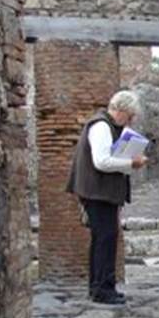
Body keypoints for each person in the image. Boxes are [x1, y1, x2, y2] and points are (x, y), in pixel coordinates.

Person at [65, 90, 148, 305]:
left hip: (103, 192)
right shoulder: (101, 126)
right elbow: (101, 161)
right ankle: (103, 290)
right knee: (105, 239)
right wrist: (131, 163)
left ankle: (99, 286)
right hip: (97, 192)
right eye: (129, 116)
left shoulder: (109, 126)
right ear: (120, 110)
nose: (129, 121)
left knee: (102, 238)